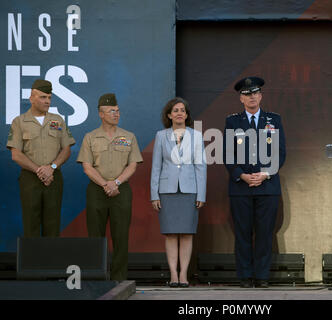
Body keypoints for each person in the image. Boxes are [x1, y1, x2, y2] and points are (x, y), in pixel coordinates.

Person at [223, 77, 286, 288]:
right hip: (241, 187)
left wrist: (265, 174)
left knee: (265, 233)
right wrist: (242, 175)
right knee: (242, 233)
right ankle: (245, 276)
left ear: (261, 95)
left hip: (267, 187)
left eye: (255, 93)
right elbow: (228, 154)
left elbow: (280, 153)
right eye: (247, 94)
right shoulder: (233, 121)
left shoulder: (273, 120)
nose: (251, 97)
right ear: (241, 98)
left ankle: (262, 276)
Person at [77, 93, 143, 281]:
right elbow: (87, 167)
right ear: (101, 114)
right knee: (95, 237)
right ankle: (96, 277)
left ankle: (119, 278)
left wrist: (116, 183)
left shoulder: (128, 136)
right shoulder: (90, 137)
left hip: (121, 191)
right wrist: (106, 183)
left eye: (118, 111)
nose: (116, 114)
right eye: (112, 111)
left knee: (121, 236)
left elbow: (132, 165)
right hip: (97, 190)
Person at [6, 79, 75, 237]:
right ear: (31, 98)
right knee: (31, 224)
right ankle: (32, 261)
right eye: (43, 97)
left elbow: (66, 149)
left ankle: (51, 261)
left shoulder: (57, 120)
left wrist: (51, 168)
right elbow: (16, 154)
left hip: (54, 177)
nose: (47, 101)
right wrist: (40, 171)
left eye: (49, 98)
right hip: (30, 179)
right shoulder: (19, 122)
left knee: (53, 224)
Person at [150, 97, 206, 288]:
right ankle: (173, 274)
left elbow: (201, 166)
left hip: (190, 190)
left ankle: (184, 275)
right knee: (171, 234)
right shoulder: (161, 135)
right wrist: (154, 194)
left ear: (187, 115)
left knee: (187, 234)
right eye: (175, 110)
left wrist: (201, 195)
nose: (179, 113)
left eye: (182, 110)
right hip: (167, 191)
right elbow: (156, 167)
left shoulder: (196, 136)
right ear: (169, 115)